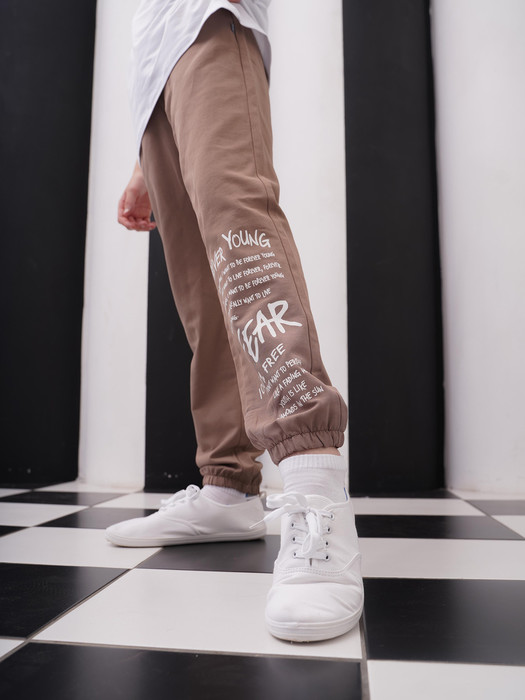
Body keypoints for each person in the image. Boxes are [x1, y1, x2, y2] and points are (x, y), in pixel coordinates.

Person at [105, 0, 363, 643]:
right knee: (202, 291)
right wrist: (143, 155)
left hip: (209, 19)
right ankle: (228, 489)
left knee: (240, 233)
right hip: (154, 77)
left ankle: (315, 486)